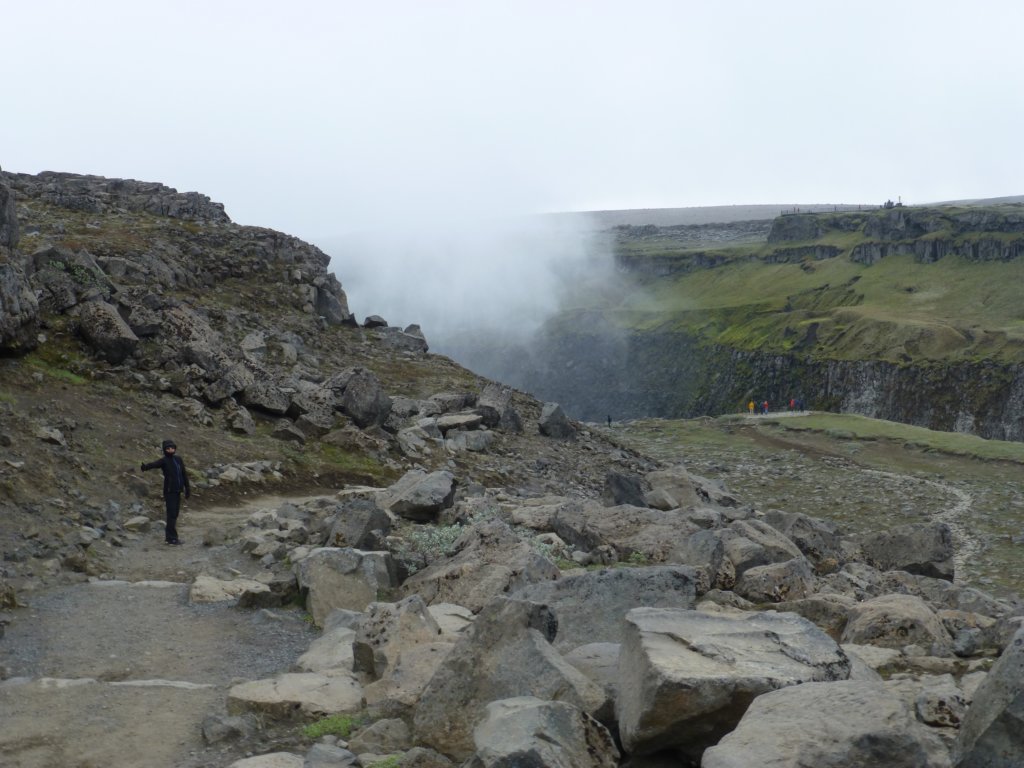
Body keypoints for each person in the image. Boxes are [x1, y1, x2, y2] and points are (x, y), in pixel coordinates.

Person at [141, 439, 191, 545]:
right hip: (169, 492)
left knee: (175, 514)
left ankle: (170, 537)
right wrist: (145, 467)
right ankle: (171, 538)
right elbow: (154, 464)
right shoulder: (164, 461)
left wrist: (187, 488)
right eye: (168, 448)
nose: (170, 450)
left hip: (178, 491)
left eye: (172, 448)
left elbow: (184, 474)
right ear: (164, 450)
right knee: (171, 514)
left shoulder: (178, 459)